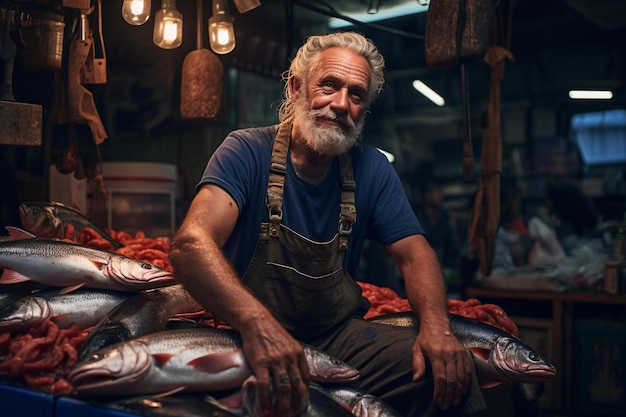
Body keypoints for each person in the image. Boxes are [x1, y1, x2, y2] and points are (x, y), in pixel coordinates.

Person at [169, 32, 486, 417]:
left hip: (337, 337)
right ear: (297, 87)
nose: (341, 104)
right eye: (329, 86)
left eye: (356, 95)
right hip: (244, 334)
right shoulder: (246, 151)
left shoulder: (373, 169)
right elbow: (191, 243)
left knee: (449, 370)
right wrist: (257, 326)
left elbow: (415, 255)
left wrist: (437, 326)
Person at [415, 180, 458, 269]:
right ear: (427, 196)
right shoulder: (416, 219)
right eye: (437, 192)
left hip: (442, 266)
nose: (441, 195)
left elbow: (450, 246)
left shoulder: (445, 219)